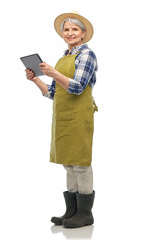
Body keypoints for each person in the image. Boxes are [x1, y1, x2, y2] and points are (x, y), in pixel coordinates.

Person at [25, 10, 98, 228]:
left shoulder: (87, 55)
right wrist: (36, 80)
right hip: (63, 116)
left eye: (74, 29)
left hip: (79, 115)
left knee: (81, 163)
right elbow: (54, 93)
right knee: (68, 163)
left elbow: (76, 87)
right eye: (66, 29)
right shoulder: (62, 57)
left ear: (83, 33)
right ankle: (72, 211)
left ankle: (85, 214)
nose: (70, 33)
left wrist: (53, 73)